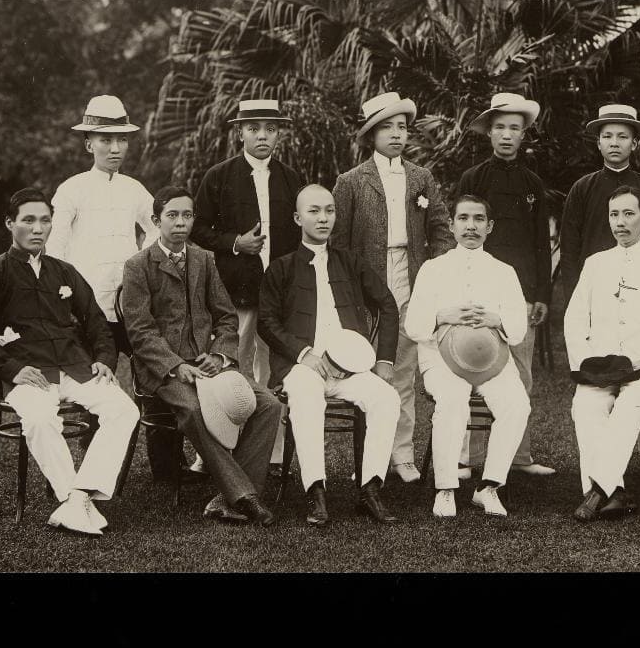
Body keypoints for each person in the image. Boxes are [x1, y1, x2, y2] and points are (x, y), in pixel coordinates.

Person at [0, 188, 140, 535]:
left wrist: (104, 358)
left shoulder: (64, 271)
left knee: (125, 409)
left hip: (74, 367)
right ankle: (75, 498)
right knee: (41, 418)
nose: (38, 228)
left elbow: (95, 322)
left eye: (45, 220)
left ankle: (77, 498)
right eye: (28, 220)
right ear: (10, 223)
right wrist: (11, 369)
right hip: (25, 373)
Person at [120, 185, 281, 526]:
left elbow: (225, 316)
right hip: (161, 369)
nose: (181, 223)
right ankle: (245, 496)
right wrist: (176, 366)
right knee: (192, 409)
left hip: (208, 362)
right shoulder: (138, 266)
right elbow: (140, 330)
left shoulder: (204, 259)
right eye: (172, 215)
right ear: (155, 220)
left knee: (268, 403)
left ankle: (226, 497)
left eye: (188, 215)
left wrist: (220, 356)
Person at [258, 185, 401, 525]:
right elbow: (266, 321)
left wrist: (383, 360)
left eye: (329, 210)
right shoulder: (281, 268)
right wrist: (301, 351)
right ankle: (316, 492)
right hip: (301, 366)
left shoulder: (350, 261)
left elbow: (387, 305)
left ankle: (370, 490)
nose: (323, 218)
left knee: (387, 398)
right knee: (307, 396)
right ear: (297, 218)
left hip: (351, 367)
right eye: (314, 211)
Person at [45, 95, 172, 477]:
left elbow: (157, 228)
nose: (114, 148)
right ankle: (94, 470)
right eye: (105, 140)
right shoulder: (71, 190)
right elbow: (55, 246)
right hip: (87, 309)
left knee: (156, 374)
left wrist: (140, 265)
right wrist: (68, 291)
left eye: (120, 140)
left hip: (132, 305)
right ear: (89, 143)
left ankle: (167, 465)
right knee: (96, 386)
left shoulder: (134, 189)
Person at [330, 92, 453, 484]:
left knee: (403, 368)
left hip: (409, 277)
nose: (397, 135)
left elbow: (440, 230)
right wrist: (348, 290)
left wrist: (434, 275)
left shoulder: (421, 177)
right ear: (371, 136)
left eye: (401, 127)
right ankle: (370, 458)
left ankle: (401, 455)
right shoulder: (350, 181)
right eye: (387, 128)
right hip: (366, 281)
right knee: (366, 369)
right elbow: (338, 244)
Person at [559, 103, 640, 483]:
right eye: (608, 136)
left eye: (623, 136)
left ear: (634, 142)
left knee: (638, 390)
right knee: (593, 401)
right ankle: (606, 485)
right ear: (598, 142)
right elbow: (571, 250)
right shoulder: (583, 189)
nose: (615, 143)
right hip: (598, 294)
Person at [563, 186, 640, 521]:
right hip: (602, 366)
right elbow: (574, 318)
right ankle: (614, 490)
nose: (620, 222)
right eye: (614, 214)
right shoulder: (595, 264)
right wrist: (586, 362)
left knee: (626, 409)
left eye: (628, 214)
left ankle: (596, 492)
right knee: (585, 407)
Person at [192, 99, 303, 471]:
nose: (262, 136)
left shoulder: (290, 178)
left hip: (280, 293)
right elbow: (199, 229)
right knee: (231, 364)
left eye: (270, 129)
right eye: (254, 128)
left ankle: (272, 451)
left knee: (280, 368)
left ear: (279, 134)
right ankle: (221, 447)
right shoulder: (219, 176)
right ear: (240, 132)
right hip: (236, 290)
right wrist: (236, 243)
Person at [405, 194, 532, 518]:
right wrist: (443, 315)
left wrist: (495, 320)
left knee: (517, 405)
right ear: (452, 224)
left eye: (478, 219)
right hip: (441, 359)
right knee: (452, 400)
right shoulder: (434, 269)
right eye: (463, 218)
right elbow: (414, 326)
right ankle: (445, 489)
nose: (471, 226)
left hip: (493, 361)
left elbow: (517, 330)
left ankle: (488, 487)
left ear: (489, 227)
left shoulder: (504, 271)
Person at [450, 92, 556, 478]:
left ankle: (519, 455)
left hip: (521, 294)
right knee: (472, 367)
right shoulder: (473, 178)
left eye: (514, 128)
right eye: (500, 128)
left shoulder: (532, 184)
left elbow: (541, 246)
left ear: (523, 135)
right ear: (489, 133)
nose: (507, 135)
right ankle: (468, 456)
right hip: (478, 291)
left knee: (520, 371)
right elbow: (464, 235)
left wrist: (541, 294)